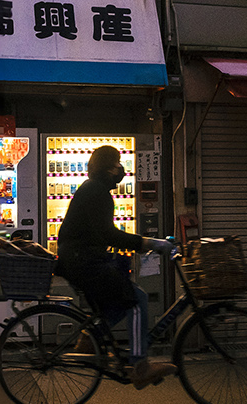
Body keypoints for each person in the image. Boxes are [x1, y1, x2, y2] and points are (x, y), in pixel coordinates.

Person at [57, 145, 177, 390]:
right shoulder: (97, 191)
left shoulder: (94, 189)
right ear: (108, 168)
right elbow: (108, 234)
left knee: (119, 301)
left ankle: (91, 338)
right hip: (84, 262)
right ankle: (140, 365)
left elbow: (101, 234)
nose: (121, 169)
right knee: (136, 299)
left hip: (80, 260)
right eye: (117, 164)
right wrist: (149, 243)